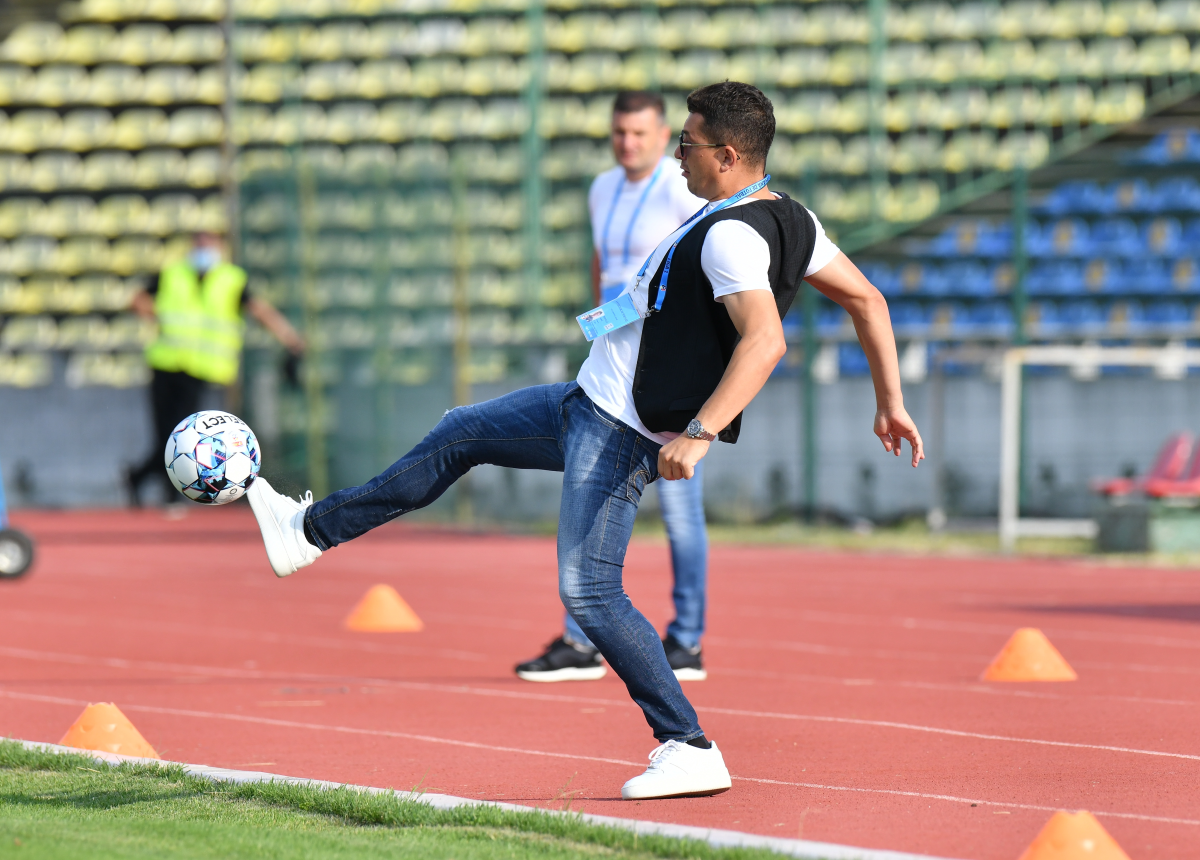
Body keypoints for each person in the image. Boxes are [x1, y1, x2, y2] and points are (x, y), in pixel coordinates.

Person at [244, 82, 924, 801]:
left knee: (589, 590)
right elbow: (867, 300)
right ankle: (308, 532)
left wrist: (700, 432)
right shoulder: (793, 217)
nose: (678, 158)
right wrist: (890, 402)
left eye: (687, 146)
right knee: (459, 433)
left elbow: (767, 342)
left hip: (620, 428)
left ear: (727, 156)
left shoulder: (728, 235)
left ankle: (688, 745)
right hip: (587, 400)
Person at [516, 91, 712, 684]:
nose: (628, 143)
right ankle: (581, 639)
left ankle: (687, 640)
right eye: (619, 132)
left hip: (667, 368)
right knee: (591, 486)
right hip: (615, 362)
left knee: (679, 506)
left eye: (640, 133)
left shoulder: (685, 189)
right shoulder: (601, 188)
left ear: (663, 137)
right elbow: (605, 265)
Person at [126, 232, 304, 506]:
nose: (203, 250)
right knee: (164, 434)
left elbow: (261, 311)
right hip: (165, 363)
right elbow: (138, 299)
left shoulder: (231, 279)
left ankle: (160, 488)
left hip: (200, 370)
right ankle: (148, 482)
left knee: (184, 435)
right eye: (199, 244)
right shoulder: (173, 273)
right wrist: (155, 317)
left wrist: (291, 339)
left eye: (209, 244)